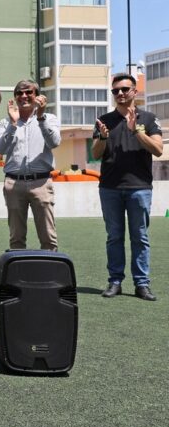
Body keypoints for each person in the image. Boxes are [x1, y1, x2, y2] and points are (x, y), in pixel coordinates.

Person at [91, 73, 163, 301]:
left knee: (139, 237)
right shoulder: (104, 120)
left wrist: (137, 131)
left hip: (139, 188)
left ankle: (142, 284)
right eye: (115, 91)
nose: (120, 93)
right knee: (114, 237)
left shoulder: (149, 118)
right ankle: (115, 282)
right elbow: (95, 154)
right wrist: (102, 138)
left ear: (134, 91)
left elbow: (158, 150)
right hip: (110, 188)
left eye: (124, 89)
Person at [0, 80, 61, 251]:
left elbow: (54, 142)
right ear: (15, 97)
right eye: (19, 93)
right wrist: (13, 124)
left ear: (37, 96)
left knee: (48, 236)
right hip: (13, 184)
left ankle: (50, 274)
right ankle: (17, 276)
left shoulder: (50, 118)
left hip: (41, 183)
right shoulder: (5, 122)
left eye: (28, 92)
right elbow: (0, 148)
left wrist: (41, 117)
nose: (24, 96)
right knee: (16, 237)